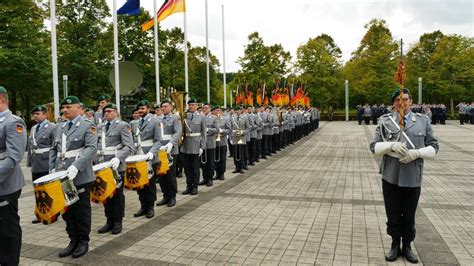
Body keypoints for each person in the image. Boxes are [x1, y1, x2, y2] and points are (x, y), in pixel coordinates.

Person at [370, 88, 439, 263]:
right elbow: (374, 147)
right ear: (394, 103)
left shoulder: (422, 121)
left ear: (411, 101)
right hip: (391, 176)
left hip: (412, 176)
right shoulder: (385, 121)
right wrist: (390, 146)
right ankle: (394, 245)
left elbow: (434, 147)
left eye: (405, 99)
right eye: (398, 100)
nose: (402, 103)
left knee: (409, 215)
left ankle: (407, 246)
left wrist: (417, 153)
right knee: (392, 213)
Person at [49, 96, 98, 258]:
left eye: (68, 107)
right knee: (68, 211)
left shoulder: (87, 125)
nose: (64, 110)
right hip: (63, 176)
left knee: (81, 211)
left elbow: (91, 148)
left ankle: (83, 241)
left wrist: (76, 167)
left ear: (79, 108)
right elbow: (54, 150)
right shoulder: (60, 127)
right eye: (63, 108)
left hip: (80, 176)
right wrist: (52, 169)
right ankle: (73, 240)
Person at [95, 103, 134, 234]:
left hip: (116, 166)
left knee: (117, 195)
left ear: (116, 112)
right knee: (106, 194)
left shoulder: (123, 125)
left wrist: (119, 158)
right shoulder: (100, 127)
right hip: (102, 165)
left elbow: (129, 146)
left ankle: (118, 221)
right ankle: (109, 220)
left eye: (109, 111)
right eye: (104, 112)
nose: (106, 113)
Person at [0, 86, 27, 266]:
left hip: (5, 184)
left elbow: (13, 157)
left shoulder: (13, 122)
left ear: (1, 100)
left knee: (7, 229)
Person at [130, 100, 162, 218]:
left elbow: (158, 141)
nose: (140, 111)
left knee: (149, 184)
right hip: (137, 157)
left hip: (149, 157)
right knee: (140, 185)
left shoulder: (155, 121)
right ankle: (143, 206)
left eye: (142, 108)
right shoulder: (134, 123)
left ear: (148, 109)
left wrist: (151, 153)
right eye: (139, 109)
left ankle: (150, 207)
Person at [27, 105, 57, 224]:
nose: (35, 116)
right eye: (34, 114)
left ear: (45, 115)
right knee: (38, 190)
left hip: (46, 162)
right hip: (36, 163)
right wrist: (30, 163)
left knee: (49, 190)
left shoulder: (52, 127)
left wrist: (54, 164)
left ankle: (53, 213)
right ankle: (40, 213)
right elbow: (31, 148)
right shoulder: (34, 128)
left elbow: (55, 147)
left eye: (38, 113)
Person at [155, 100, 181, 207]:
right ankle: (165, 195)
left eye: (166, 106)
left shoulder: (175, 118)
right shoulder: (158, 119)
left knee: (170, 174)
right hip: (159, 150)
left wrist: (171, 143)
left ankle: (172, 196)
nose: (163, 108)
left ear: (170, 107)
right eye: (162, 106)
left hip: (170, 150)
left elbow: (178, 131)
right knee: (161, 175)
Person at [180, 98, 206, 195]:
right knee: (187, 168)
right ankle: (188, 185)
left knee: (195, 168)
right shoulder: (185, 116)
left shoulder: (201, 117)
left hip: (195, 145)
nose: (191, 107)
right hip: (185, 145)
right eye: (190, 105)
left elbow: (204, 133)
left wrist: (201, 147)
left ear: (196, 106)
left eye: (193, 105)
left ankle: (195, 186)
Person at [213, 106, 231, 180]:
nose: (217, 112)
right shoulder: (212, 120)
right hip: (214, 142)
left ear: (221, 111)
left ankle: (222, 173)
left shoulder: (225, 119)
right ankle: (217, 173)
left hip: (222, 141)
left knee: (222, 158)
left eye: (218, 110)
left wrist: (222, 131)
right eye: (215, 111)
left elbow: (229, 130)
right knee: (215, 158)